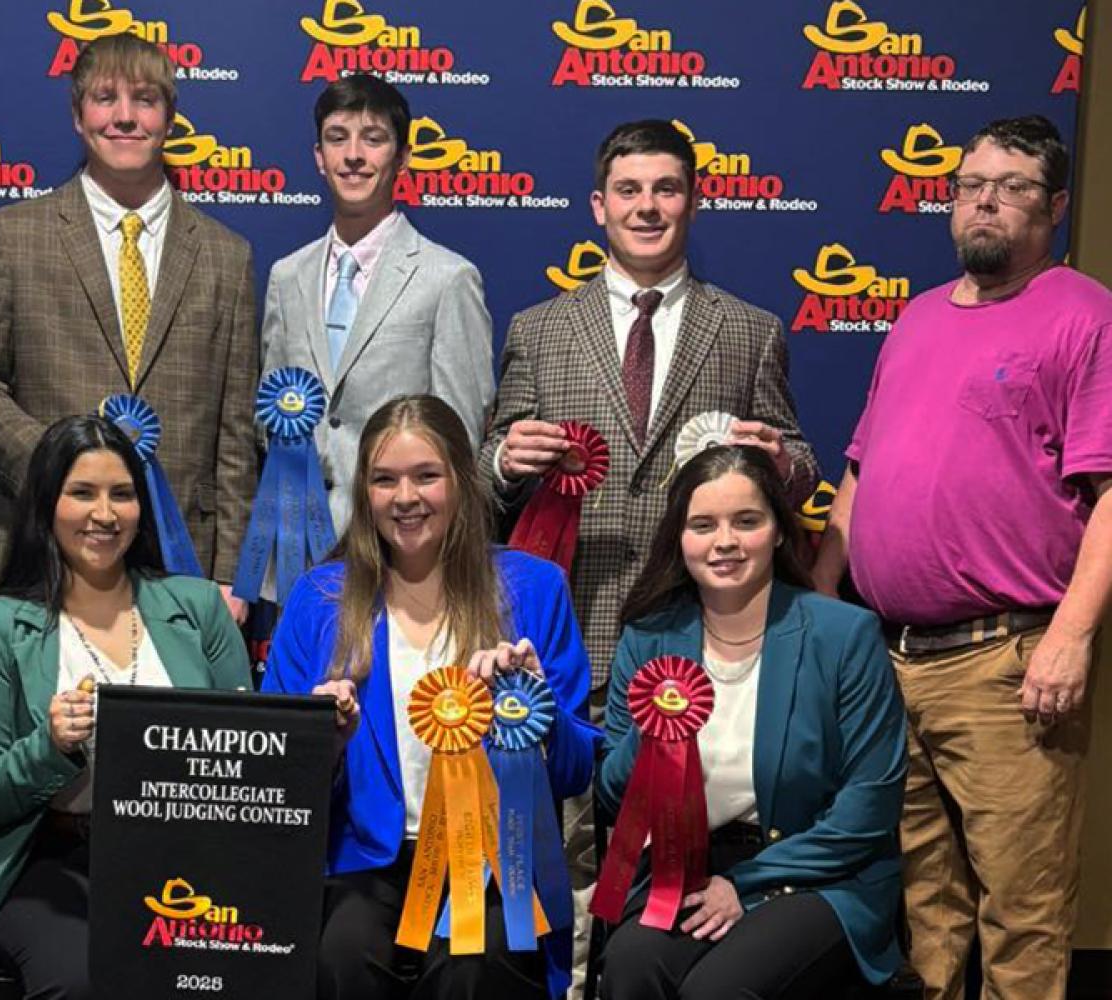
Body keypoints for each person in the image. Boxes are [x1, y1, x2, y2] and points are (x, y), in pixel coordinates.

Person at [476, 118, 819, 982]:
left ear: (694, 201)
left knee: (661, 892)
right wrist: (503, 460)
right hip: (569, 640)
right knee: (558, 874)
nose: (648, 206)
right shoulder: (538, 330)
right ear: (598, 206)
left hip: (696, 653)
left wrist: (783, 461)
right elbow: (485, 480)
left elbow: (796, 456)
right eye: (629, 190)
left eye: (666, 189)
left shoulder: (749, 330)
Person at [814, 114, 1112, 1000]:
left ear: (1054, 205)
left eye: (1013, 186)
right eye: (971, 184)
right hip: (889, 658)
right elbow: (859, 471)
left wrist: (1072, 636)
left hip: (1007, 663)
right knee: (923, 909)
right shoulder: (913, 318)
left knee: (1020, 916)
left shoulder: (1085, 315)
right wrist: (828, 610)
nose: (986, 200)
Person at [264, 394, 597, 999]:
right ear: (365, 493)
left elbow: (574, 772)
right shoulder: (317, 600)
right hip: (364, 857)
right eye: (384, 480)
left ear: (462, 482)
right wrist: (323, 741)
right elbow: (274, 780)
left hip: (498, 866)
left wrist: (536, 707)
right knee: (343, 954)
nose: (405, 498)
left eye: (426, 476)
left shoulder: (534, 588)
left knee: (472, 970)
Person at [0, 33, 257, 621]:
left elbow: (235, 431)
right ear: (78, 116)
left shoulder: (225, 254)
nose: (125, 117)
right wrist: (61, 462)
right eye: (105, 98)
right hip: (40, 551)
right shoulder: (13, 236)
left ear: (169, 117)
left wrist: (230, 574)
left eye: (145, 99)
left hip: (180, 567)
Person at [0, 415, 252, 998]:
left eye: (122, 494)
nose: (105, 515)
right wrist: (48, 749)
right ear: (46, 504)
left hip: (188, 861)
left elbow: (248, 753)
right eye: (82, 493)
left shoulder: (197, 608)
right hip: (47, 859)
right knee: (89, 980)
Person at [597, 445, 906, 1000]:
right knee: (630, 964)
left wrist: (743, 884)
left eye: (747, 521)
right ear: (679, 538)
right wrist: (654, 722)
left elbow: (870, 808)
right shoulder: (648, 637)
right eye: (703, 525)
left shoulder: (845, 636)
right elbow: (616, 792)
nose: (725, 542)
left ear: (779, 532)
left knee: (718, 991)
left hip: (818, 873)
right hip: (684, 869)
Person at [261, 73, 494, 530]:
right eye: (337, 138)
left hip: (399, 541)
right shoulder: (287, 277)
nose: (353, 155)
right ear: (318, 158)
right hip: (294, 548)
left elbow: (459, 436)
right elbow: (268, 416)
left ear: (403, 157)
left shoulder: (448, 278)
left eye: (373, 139)